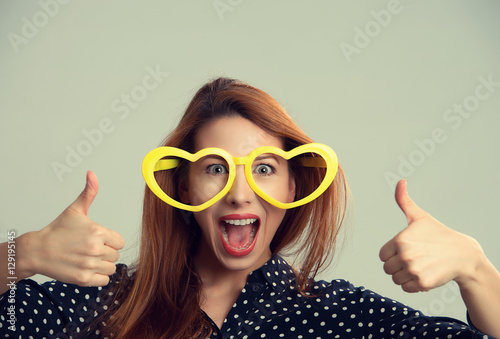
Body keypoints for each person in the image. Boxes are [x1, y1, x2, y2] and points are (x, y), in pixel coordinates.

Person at [1, 77, 499, 338]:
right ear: (184, 185)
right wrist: (20, 255)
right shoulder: (108, 306)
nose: (240, 193)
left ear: (291, 186)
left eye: (263, 168)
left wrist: (474, 268)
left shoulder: (338, 316)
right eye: (216, 168)